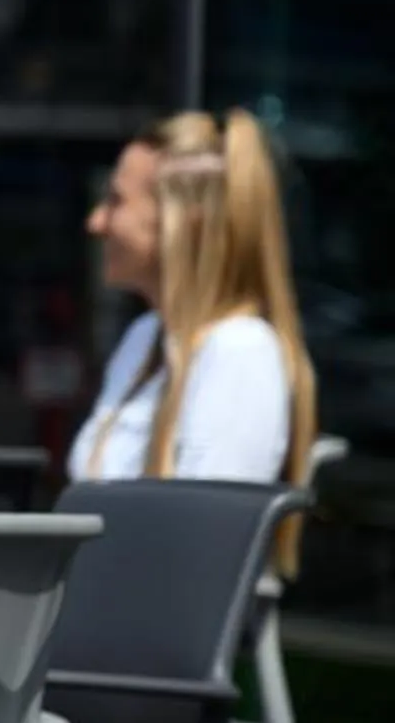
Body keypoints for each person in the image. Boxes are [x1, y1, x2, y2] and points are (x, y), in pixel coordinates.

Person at [69, 107, 318, 489]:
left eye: (116, 201)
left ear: (179, 222)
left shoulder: (239, 351)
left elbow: (205, 539)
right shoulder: (144, 336)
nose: (96, 222)